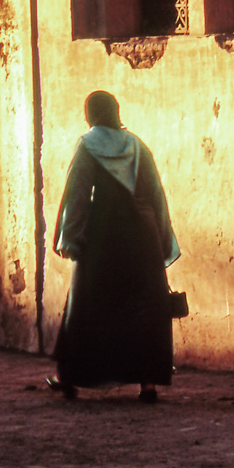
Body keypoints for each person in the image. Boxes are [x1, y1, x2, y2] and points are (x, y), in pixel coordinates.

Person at [48, 91, 180, 402]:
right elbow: (156, 194)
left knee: (87, 306)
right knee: (142, 307)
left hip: (104, 235)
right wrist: (162, 239)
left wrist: (70, 237)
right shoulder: (137, 145)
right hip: (142, 235)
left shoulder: (87, 145)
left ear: (90, 115)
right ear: (116, 112)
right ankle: (147, 383)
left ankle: (70, 379)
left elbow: (77, 194)